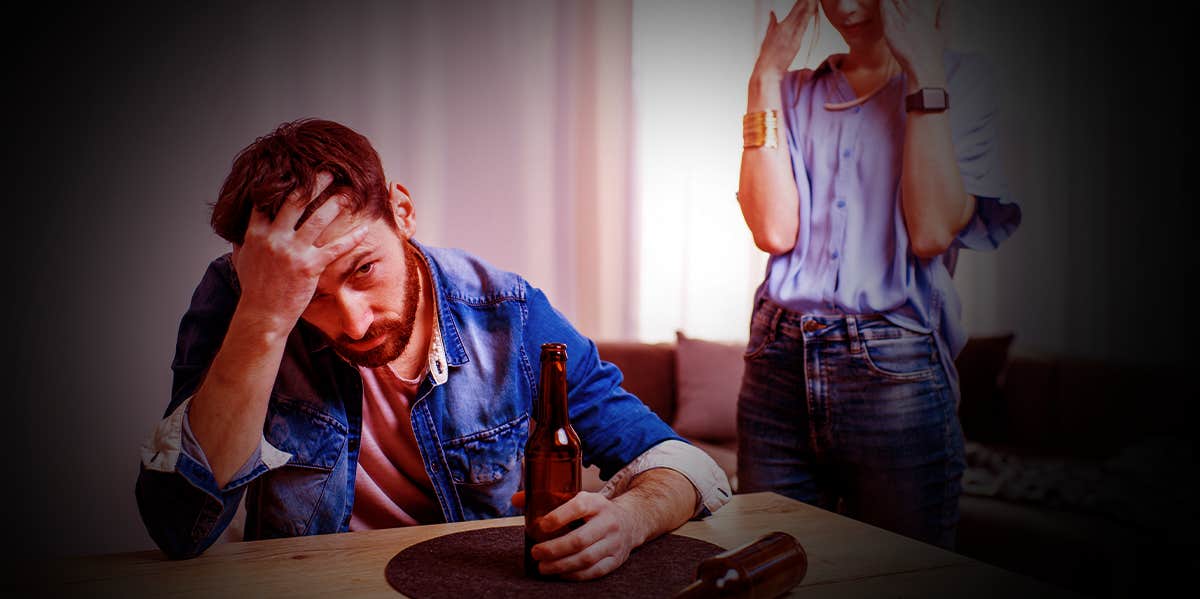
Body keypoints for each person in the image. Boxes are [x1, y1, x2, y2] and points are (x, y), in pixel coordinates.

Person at [136, 118, 730, 578]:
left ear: (402, 211)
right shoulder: (243, 301)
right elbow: (179, 527)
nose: (354, 320)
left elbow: (679, 461)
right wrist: (265, 317)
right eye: (309, 294)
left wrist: (628, 519)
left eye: (364, 269)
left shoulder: (510, 312)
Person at [735, 0, 1020, 549]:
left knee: (898, 575)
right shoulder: (790, 91)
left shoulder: (966, 80)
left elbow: (933, 228)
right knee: (768, 574)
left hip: (896, 371)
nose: (844, 7)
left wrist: (925, 74)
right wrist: (764, 76)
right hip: (776, 362)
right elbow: (773, 230)